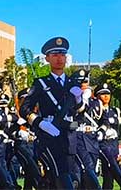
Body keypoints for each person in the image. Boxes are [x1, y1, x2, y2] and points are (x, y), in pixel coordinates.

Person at [20, 36, 85, 189]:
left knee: (62, 178)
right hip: (49, 137)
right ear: (47, 58)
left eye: (62, 55)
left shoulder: (73, 83)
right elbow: (24, 109)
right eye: (54, 55)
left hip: (69, 137)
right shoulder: (41, 83)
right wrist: (40, 123)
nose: (59, 59)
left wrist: (79, 101)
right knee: (61, 175)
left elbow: (80, 112)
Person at [95, 83, 121, 190]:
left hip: (113, 142)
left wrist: (113, 120)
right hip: (102, 142)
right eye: (102, 94)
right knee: (110, 162)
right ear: (97, 96)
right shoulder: (95, 110)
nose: (106, 96)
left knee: (108, 173)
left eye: (108, 94)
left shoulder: (115, 110)